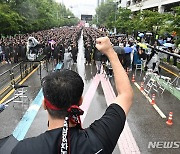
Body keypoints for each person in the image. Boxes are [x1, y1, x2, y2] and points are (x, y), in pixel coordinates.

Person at [11, 37, 133, 154]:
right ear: (80, 101)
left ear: (44, 104)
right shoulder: (99, 139)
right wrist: (110, 52)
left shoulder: (23, 149)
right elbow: (125, 94)